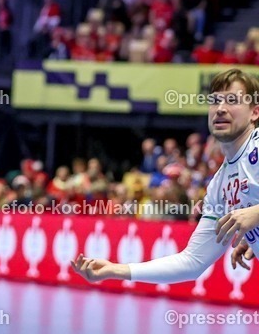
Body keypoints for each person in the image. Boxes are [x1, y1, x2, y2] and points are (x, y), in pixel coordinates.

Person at [72, 68, 259, 285]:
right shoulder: (219, 186)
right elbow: (192, 262)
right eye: (215, 101)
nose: (220, 109)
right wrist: (117, 269)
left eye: (232, 100)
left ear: (254, 112)